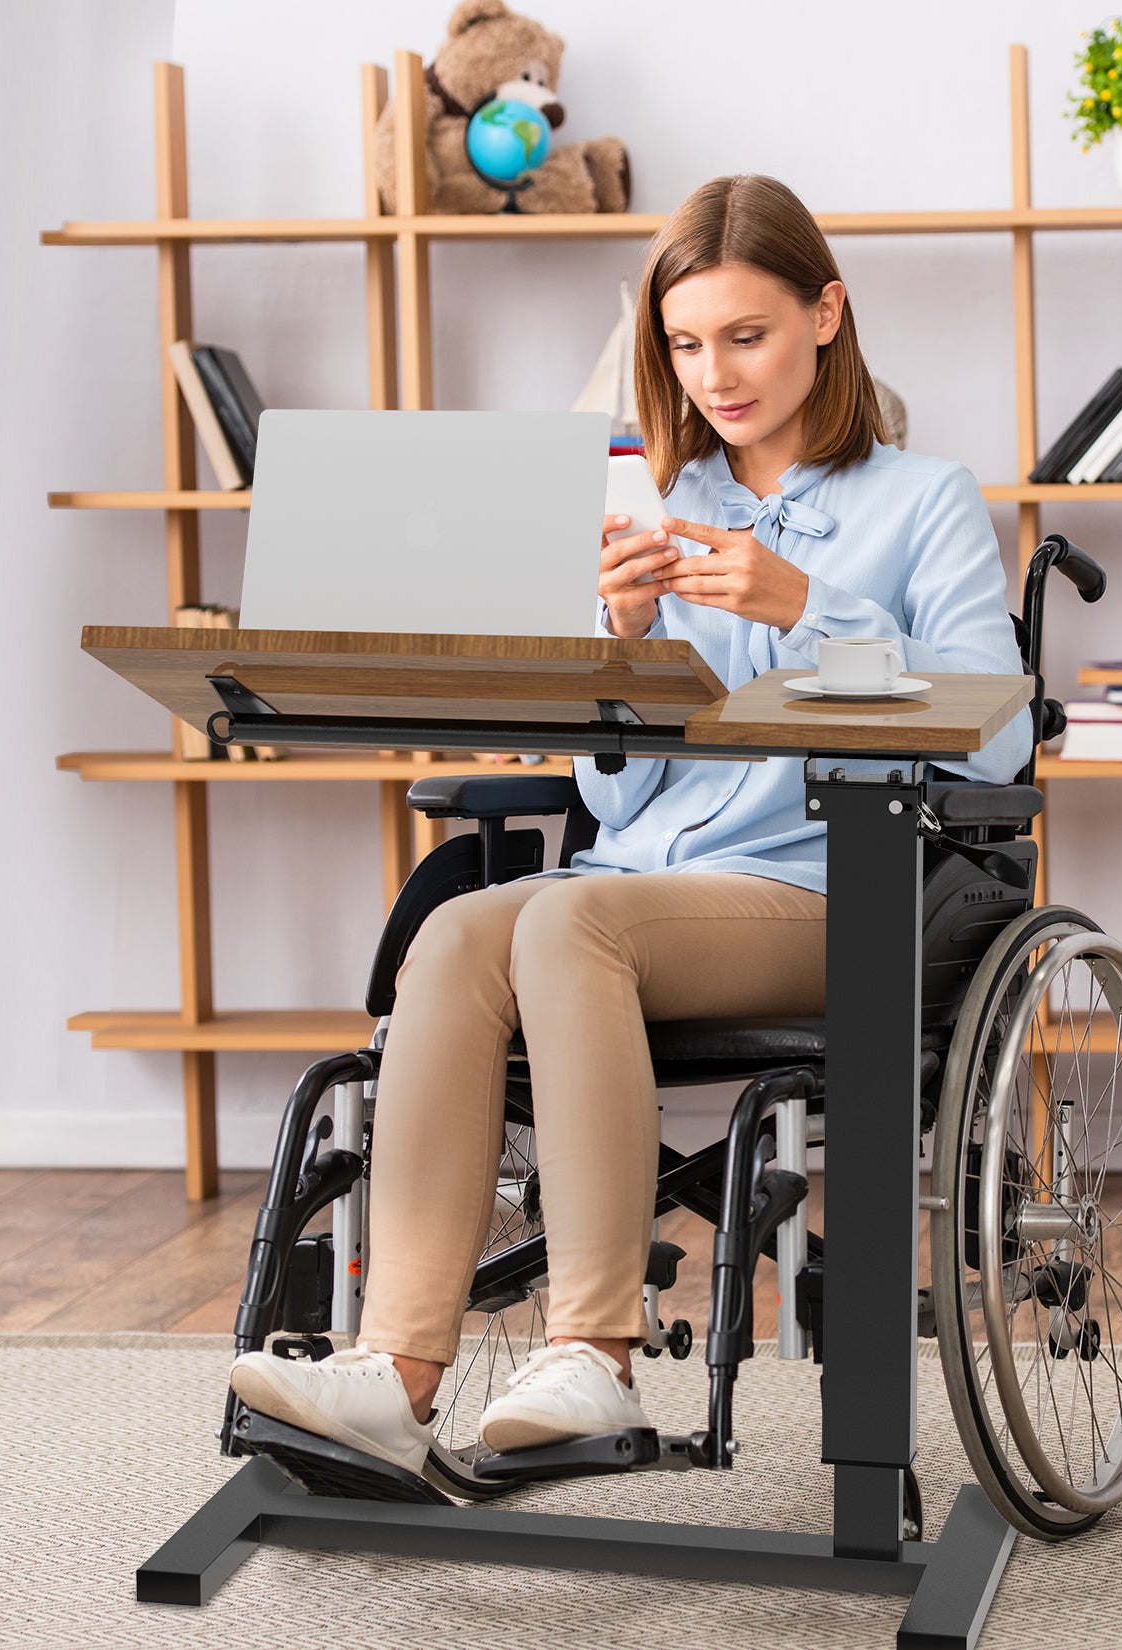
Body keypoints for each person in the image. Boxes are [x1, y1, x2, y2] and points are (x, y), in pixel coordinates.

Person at [229, 173, 1032, 1477]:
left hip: (837, 890)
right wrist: (618, 657)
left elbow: (995, 738)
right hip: (639, 881)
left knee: (567, 917)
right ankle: (397, 1365)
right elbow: (618, 799)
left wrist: (806, 606)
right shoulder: (658, 500)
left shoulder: (919, 500)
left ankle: (592, 1352)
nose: (714, 371)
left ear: (826, 314)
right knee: (462, 932)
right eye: (684, 342)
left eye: (746, 334)